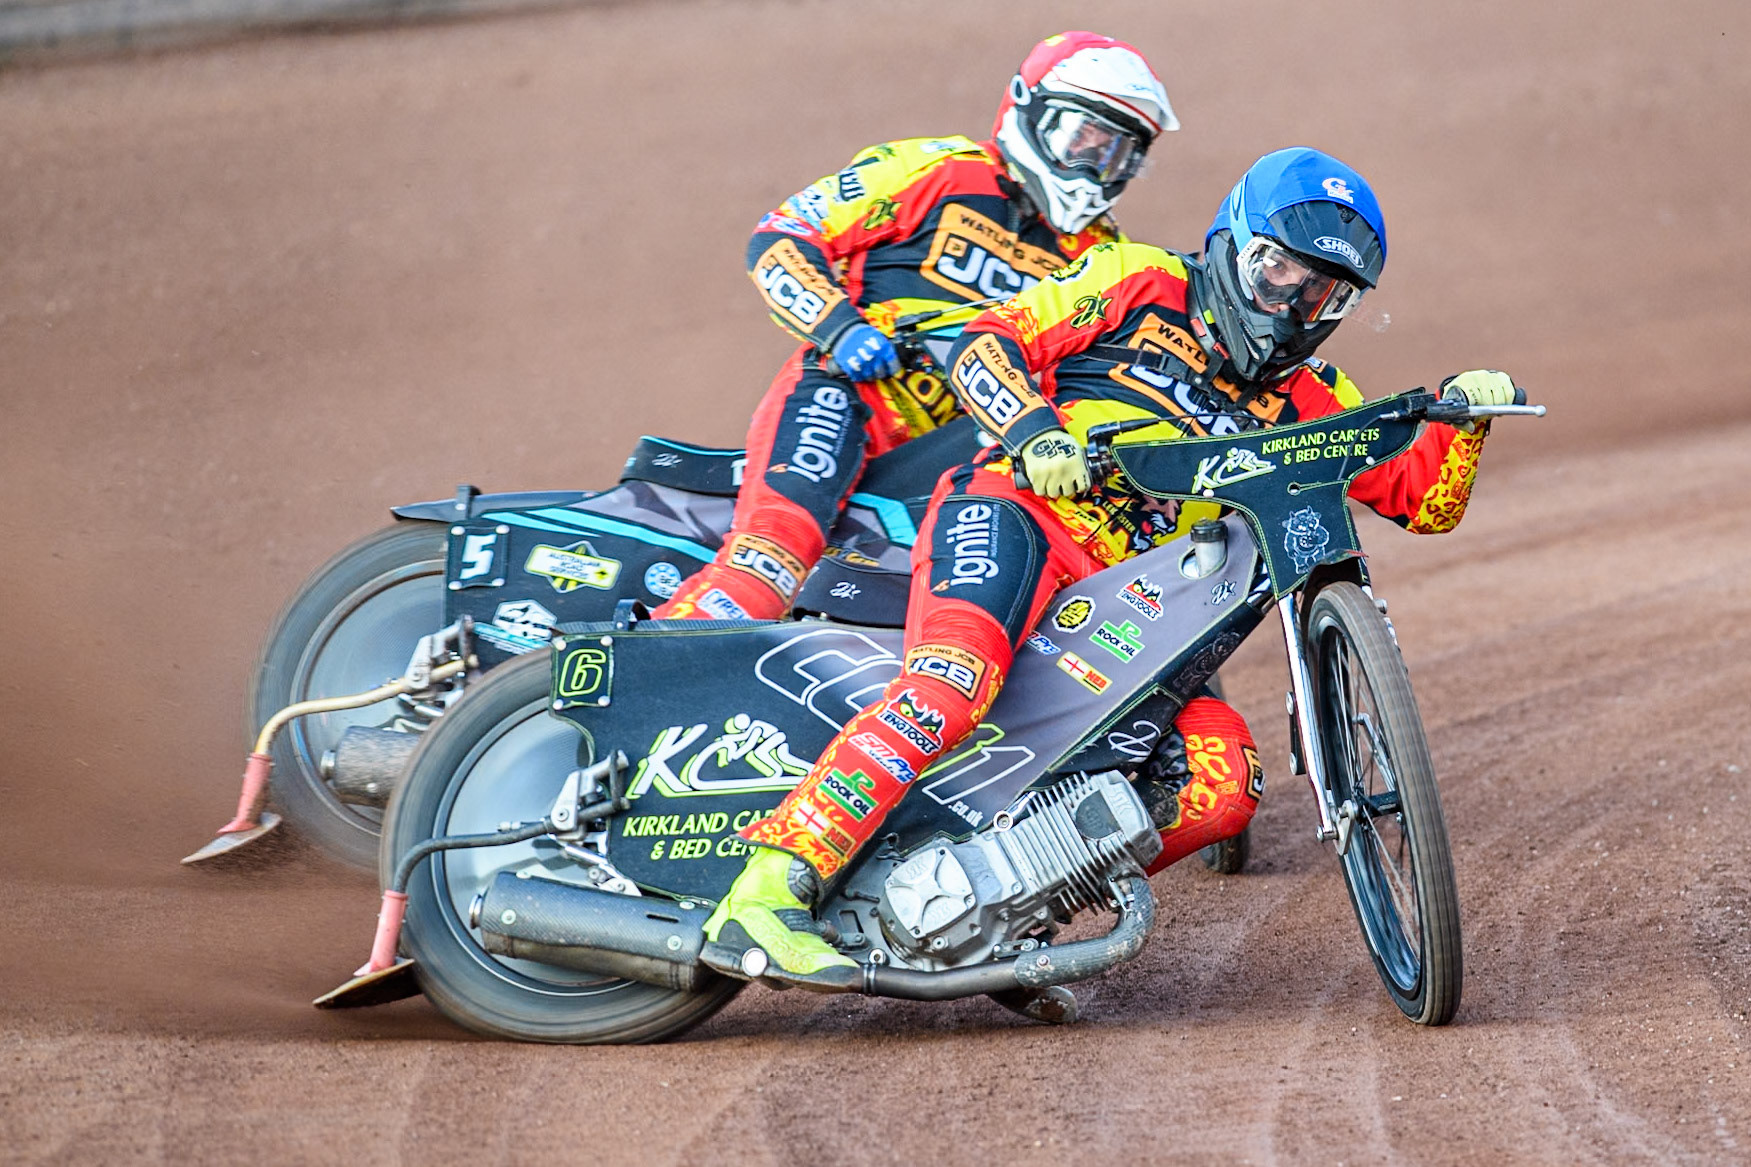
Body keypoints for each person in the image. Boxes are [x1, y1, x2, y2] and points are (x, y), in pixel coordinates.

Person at [703, 146, 1520, 986]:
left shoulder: (1312, 397)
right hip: (1014, 515)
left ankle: (993, 917)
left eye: (1325, 293)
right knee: (949, 683)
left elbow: (1421, 502)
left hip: (1138, 608)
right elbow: (989, 342)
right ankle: (765, 891)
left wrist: (1465, 421)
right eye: (1278, 273)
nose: (1294, 305)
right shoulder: (1135, 279)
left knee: (1221, 781)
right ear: (1230, 243)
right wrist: (1033, 433)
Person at [652, 31, 1177, 620]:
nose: (1092, 166)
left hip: (967, 454)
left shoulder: (1104, 259)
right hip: (850, 400)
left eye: (1115, 153)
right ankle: (654, 674)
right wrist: (841, 329)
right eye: (1081, 139)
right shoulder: (937, 171)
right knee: (771, 559)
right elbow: (782, 236)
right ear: (1027, 107)